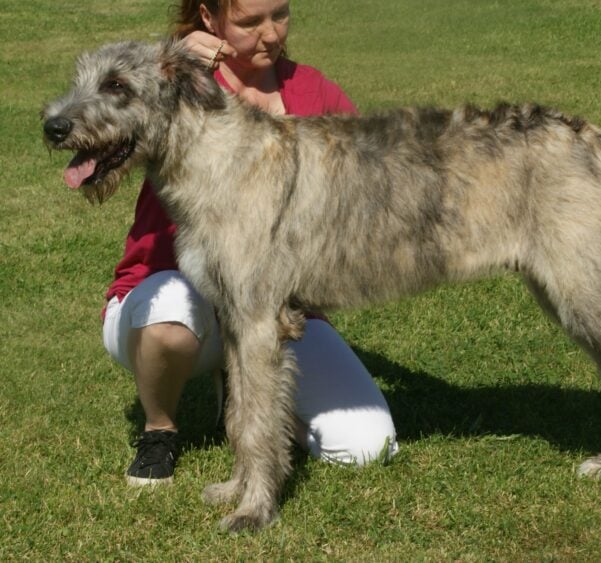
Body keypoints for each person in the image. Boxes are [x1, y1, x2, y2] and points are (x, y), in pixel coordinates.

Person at [102, 0, 398, 486]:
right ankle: (159, 430)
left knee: (368, 444)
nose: (270, 34)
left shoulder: (310, 88)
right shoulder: (175, 83)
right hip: (170, 295)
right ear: (208, 17)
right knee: (173, 312)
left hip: (277, 309)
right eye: (249, 22)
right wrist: (174, 57)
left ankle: (245, 399)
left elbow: (371, 176)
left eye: (280, 14)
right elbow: (117, 82)